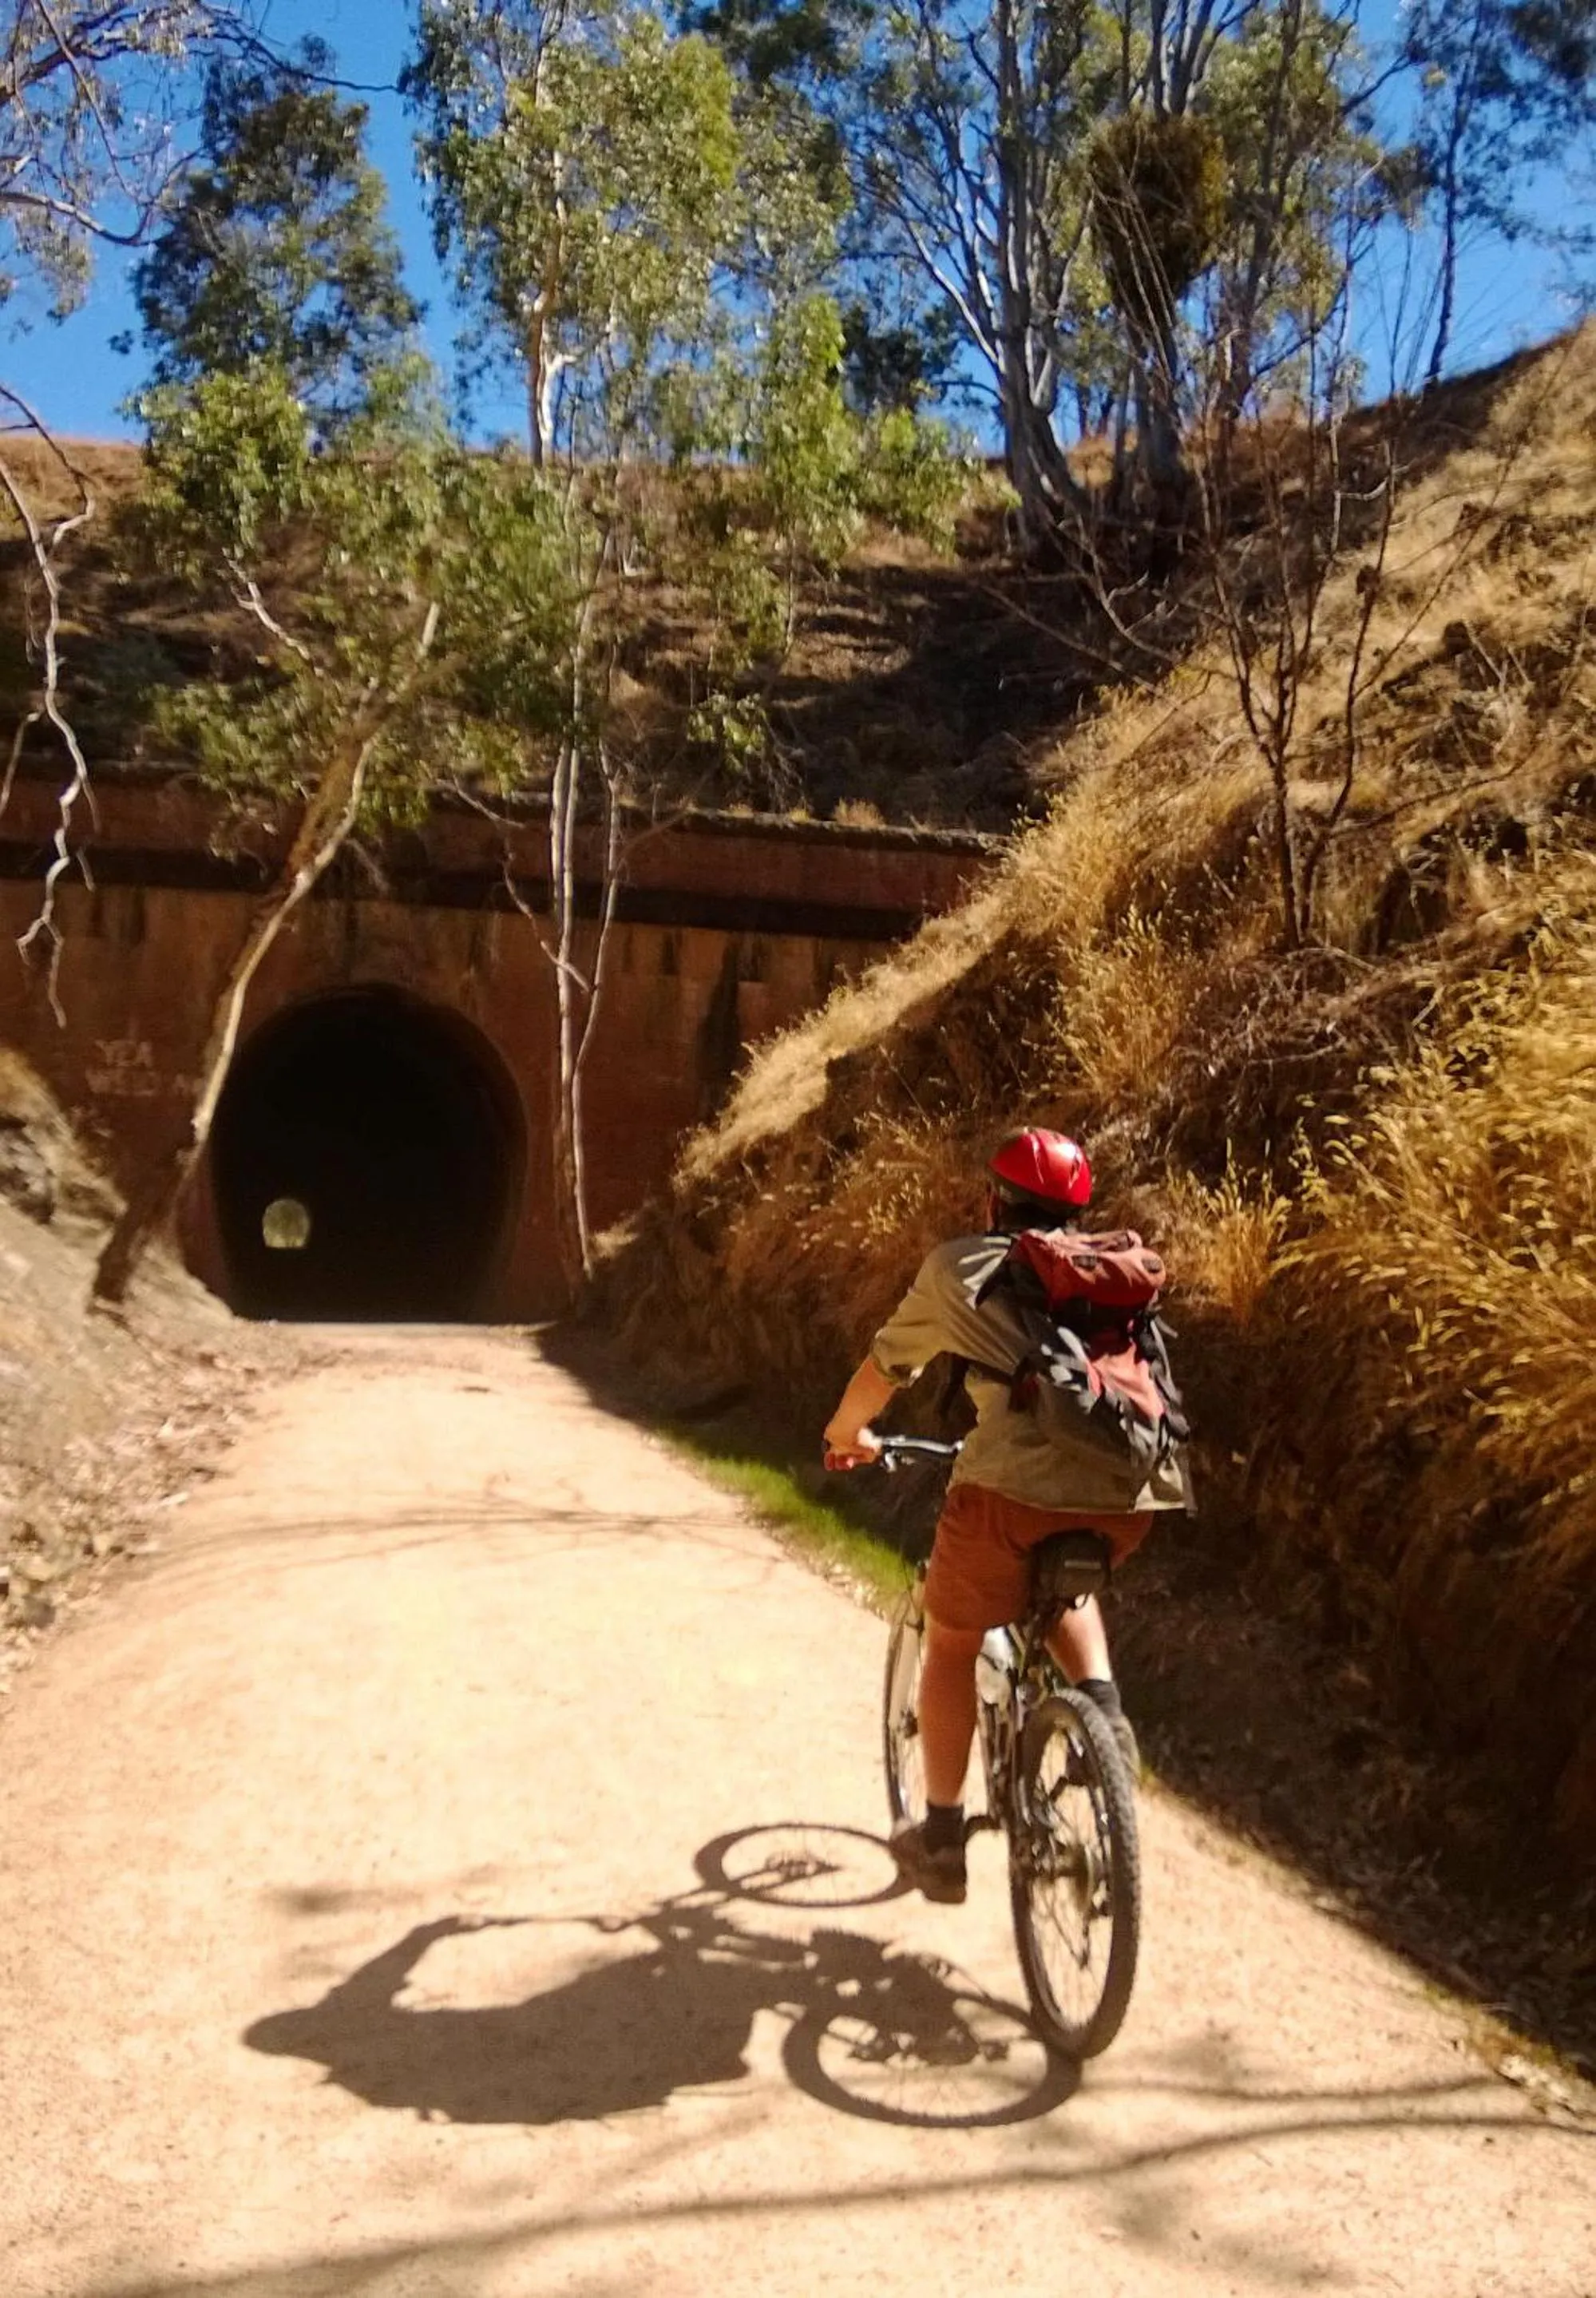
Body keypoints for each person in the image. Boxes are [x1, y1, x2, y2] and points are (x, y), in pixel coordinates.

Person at [822, 1127, 1192, 1905]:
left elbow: (888, 1365)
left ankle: (945, 1839)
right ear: (1078, 1206)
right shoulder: (1113, 1271)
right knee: (1070, 1590)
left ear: (996, 1201)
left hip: (1006, 1497)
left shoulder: (963, 1266)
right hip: (1133, 1497)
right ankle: (1101, 1710)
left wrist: (845, 1431)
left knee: (952, 1642)